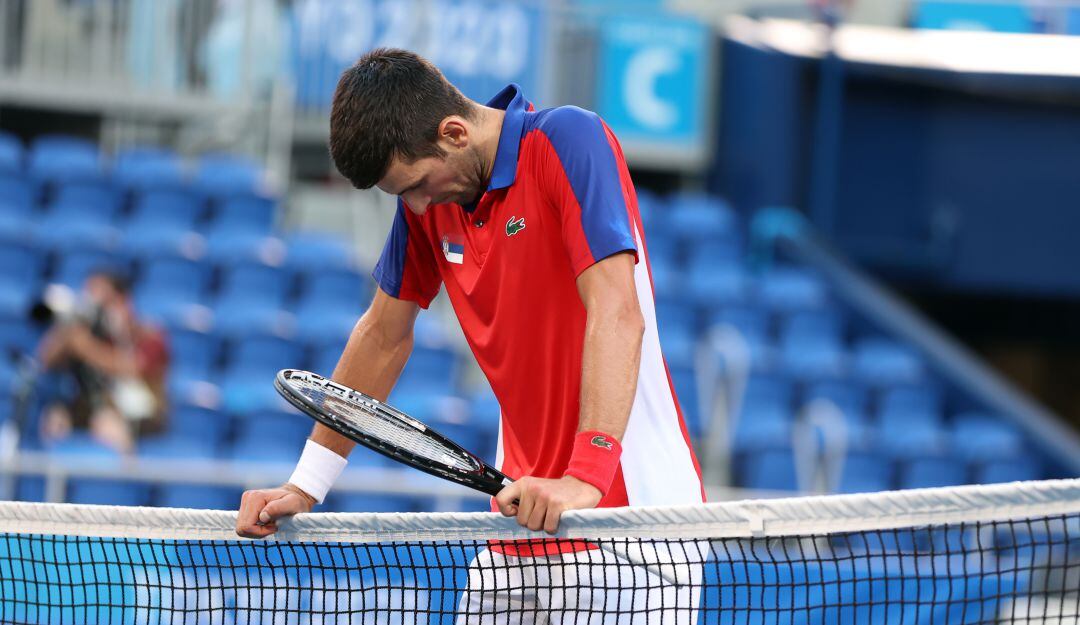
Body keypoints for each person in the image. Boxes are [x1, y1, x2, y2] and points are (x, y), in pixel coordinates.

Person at [235, 48, 705, 622]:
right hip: (522, 521)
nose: (416, 204)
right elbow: (383, 334)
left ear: (454, 133)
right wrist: (307, 485)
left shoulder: (567, 140)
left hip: (632, 528)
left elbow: (617, 309)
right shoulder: (427, 206)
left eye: (417, 184)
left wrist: (585, 476)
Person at [36, 270, 169, 454]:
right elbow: (44, 361)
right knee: (54, 418)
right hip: (92, 406)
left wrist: (85, 346)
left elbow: (132, 369)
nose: (97, 306)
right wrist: (65, 330)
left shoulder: (149, 333)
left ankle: (127, 469)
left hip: (141, 412)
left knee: (108, 425)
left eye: (104, 300)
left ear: (123, 301)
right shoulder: (90, 332)